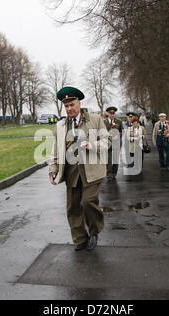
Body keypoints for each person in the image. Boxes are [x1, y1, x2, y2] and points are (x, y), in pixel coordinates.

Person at [49, 86, 109, 252]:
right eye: (66, 106)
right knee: (73, 208)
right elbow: (55, 150)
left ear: (79, 103)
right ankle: (80, 239)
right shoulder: (60, 125)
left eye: (72, 105)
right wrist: (53, 169)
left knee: (88, 201)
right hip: (71, 172)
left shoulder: (95, 119)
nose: (69, 109)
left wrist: (93, 144)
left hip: (92, 170)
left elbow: (107, 142)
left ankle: (95, 231)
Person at [104, 107, 124, 181]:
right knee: (108, 159)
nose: (112, 115)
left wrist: (118, 135)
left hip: (116, 143)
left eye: (113, 113)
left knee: (115, 159)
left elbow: (122, 131)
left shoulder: (119, 121)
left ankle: (114, 173)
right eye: (110, 113)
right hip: (107, 143)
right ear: (108, 114)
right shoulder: (104, 122)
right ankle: (109, 173)